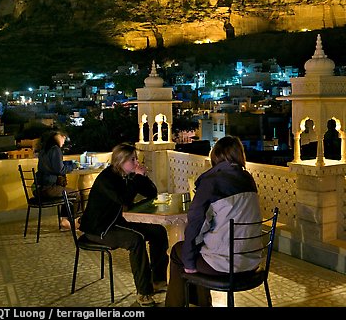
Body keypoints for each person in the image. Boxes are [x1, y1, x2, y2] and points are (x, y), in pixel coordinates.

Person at [164, 135, 262, 307]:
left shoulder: (212, 182)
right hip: (252, 262)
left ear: (215, 156)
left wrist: (189, 262)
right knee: (199, 249)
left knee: (180, 252)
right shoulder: (249, 180)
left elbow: (195, 224)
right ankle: (199, 303)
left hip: (225, 266)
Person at [79, 142, 169, 307]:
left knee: (159, 232)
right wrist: (137, 178)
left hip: (117, 222)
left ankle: (158, 280)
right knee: (136, 241)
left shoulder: (128, 176)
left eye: (136, 159)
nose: (136, 163)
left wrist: (143, 177)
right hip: (99, 227)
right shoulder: (107, 178)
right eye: (132, 160)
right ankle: (143, 292)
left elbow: (151, 193)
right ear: (120, 161)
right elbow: (125, 199)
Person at [36, 129, 80, 230]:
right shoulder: (55, 149)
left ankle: (65, 220)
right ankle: (73, 221)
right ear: (57, 136)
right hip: (48, 189)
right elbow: (60, 170)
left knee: (67, 193)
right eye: (63, 138)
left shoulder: (43, 150)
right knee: (75, 193)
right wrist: (73, 166)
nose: (64, 141)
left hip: (38, 188)